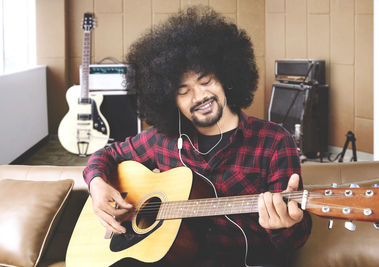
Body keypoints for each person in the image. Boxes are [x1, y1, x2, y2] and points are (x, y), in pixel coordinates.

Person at [84, 6, 311, 267]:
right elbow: (106, 155)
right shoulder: (162, 140)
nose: (200, 96)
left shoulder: (274, 142)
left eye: (206, 81)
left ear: (226, 78)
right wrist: (97, 185)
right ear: (169, 100)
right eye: (184, 91)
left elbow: (293, 241)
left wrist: (286, 224)